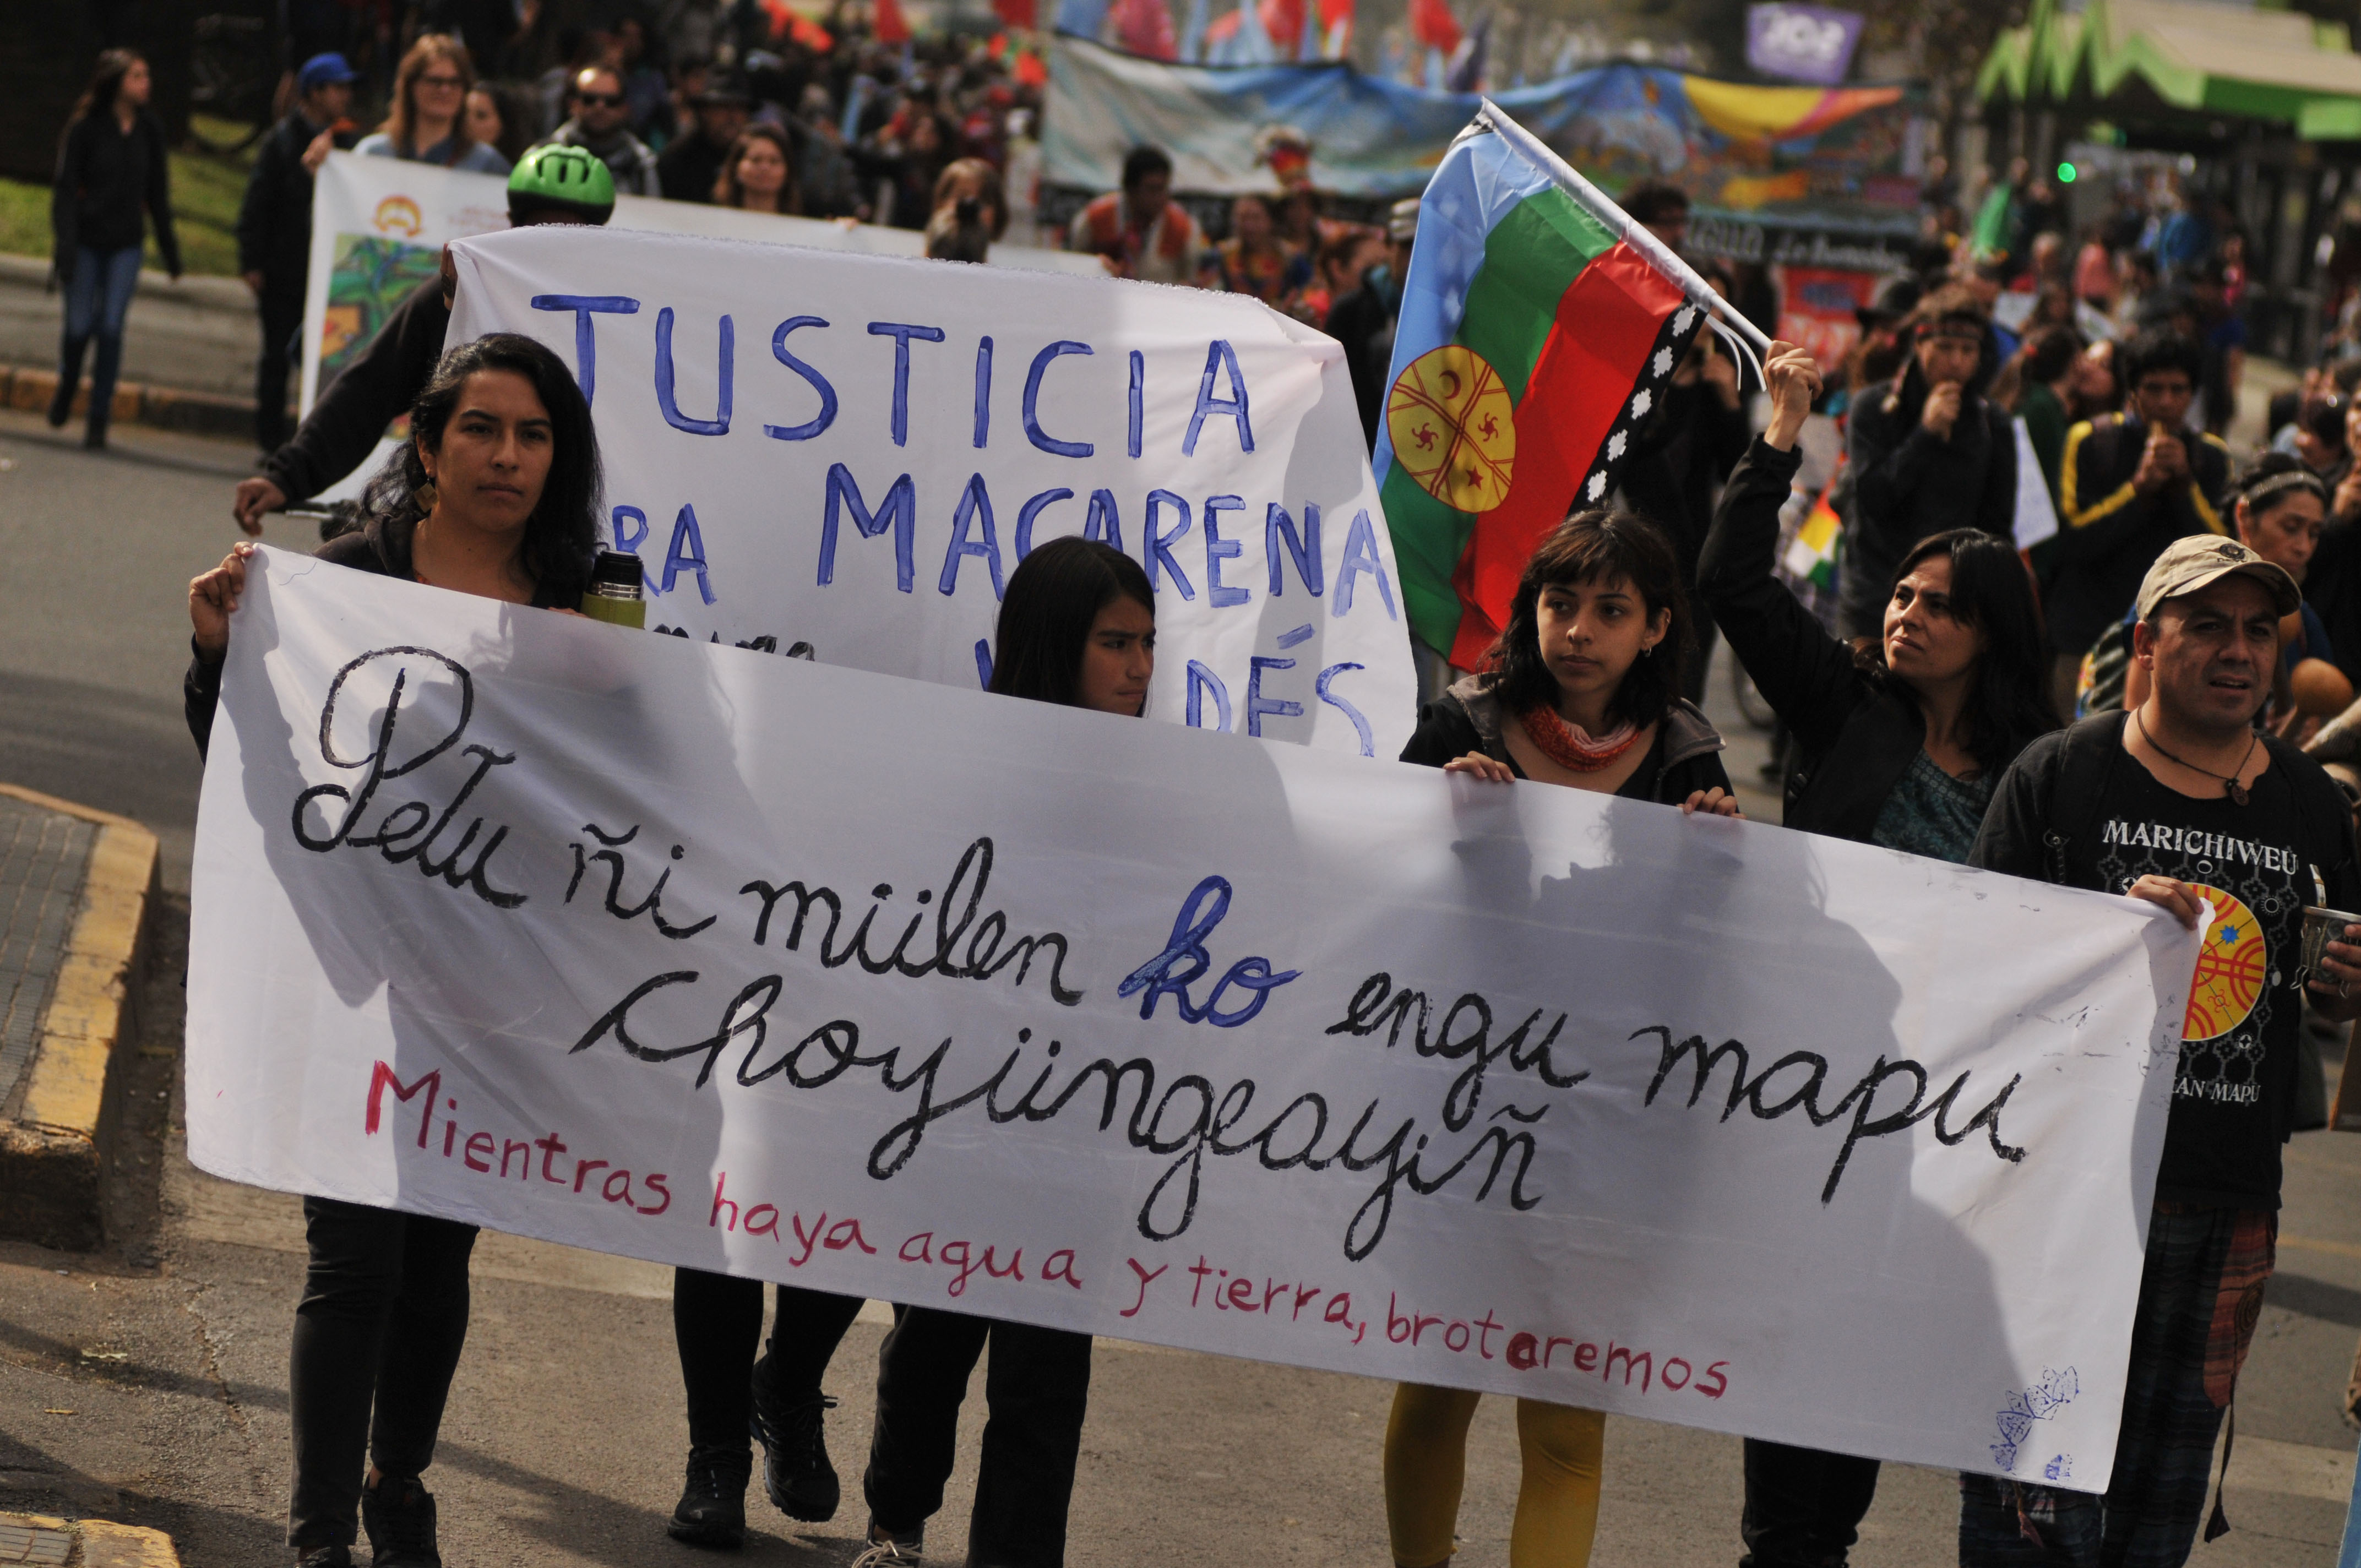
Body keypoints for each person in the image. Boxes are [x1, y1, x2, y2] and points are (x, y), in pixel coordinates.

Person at [184, 333, 602, 1568]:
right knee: (352, 1253)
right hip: (351, 974)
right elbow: (249, 768)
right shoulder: (339, 584)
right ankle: (315, 1533)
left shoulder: (588, 612)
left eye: (533, 436)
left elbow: (639, 804)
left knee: (435, 1256)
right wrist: (215, 655)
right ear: (425, 444)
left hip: (491, 991)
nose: (506, 456)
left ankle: (396, 1477)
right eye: (480, 428)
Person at [1701, 341, 2059, 1567]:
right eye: (1900, 598)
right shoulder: (1841, 705)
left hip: (1963, 1122)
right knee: (1800, 1444)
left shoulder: (2042, 774)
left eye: (1938, 604)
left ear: (1991, 630)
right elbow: (1732, 584)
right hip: (1819, 1098)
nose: (1906, 615)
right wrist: (1778, 431)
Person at [1963, 534, 2361, 1566]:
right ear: (2146, 641)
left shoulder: (2310, 803)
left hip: (2228, 1203)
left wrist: (2337, 986)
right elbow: (1971, 965)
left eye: (2255, 631)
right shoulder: (2060, 775)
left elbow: (2319, 981)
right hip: (2061, 1198)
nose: (2237, 651)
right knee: (2030, 1508)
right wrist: (2098, 928)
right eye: (2205, 626)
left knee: (2153, 1520)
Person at [1388, 507, 1737, 1568]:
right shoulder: (1461, 726)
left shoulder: (1686, 757)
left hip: (1605, 1132)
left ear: (1654, 627)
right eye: (1559, 602)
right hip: (1456, 1110)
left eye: (1609, 610)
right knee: (1437, 1380)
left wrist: (1720, 870)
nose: (1578, 628)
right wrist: (1429, 816)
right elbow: (1370, 890)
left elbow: (1706, 966)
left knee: (1564, 1419)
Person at [850, 535, 1151, 1568]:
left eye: (1148, 643)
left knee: (1044, 1377)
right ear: (1051, 644)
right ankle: (897, 1519)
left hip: (1080, 1132)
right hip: (959, 1116)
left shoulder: (1170, 786)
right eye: (1114, 642)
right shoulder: (965, 763)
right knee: (932, 1340)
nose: (1138, 667)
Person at [230, 145, 617, 535]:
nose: (550, 246)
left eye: (569, 235)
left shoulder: (621, 318)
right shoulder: (456, 296)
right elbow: (369, 390)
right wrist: (288, 477)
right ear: (513, 224)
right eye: (539, 230)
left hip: (563, 532)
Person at [2047, 326, 2233, 716]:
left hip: (2167, 646)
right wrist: (2138, 490)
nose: (2166, 402)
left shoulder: (2211, 457)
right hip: (2085, 630)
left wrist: (2184, 487)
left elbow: (2222, 553)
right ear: (2132, 390)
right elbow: (2072, 539)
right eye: (2153, 388)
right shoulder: (2091, 440)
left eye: (2178, 390)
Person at [2079, 455, 2332, 721]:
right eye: (2291, 528)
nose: (2303, 547)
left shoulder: (2304, 620)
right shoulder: (2175, 594)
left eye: (2314, 534)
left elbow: (2326, 700)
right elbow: (2137, 718)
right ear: (2244, 516)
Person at [1837, 286, 2017, 640]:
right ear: (1920, 346)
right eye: (1945, 348)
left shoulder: (1990, 422)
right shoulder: (1874, 407)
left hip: (1948, 609)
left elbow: (1997, 523)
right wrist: (1925, 435)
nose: (1956, 361)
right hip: (1875, 599)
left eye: (1968, 351)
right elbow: (1873, 497)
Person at [48, 48, 179, 450]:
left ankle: (98, 416)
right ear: (118, 82)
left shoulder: (149, 131)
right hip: (86, 242)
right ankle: (69, 384)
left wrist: (170, 252)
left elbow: (157, 192)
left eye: (147, 76)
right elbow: (66, 191)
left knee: (109, 328)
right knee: (78, 327)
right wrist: (66, 246)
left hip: (126, 245)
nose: (147, 83)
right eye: (138, 76)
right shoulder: (87, 127)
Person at [237, 52, 359, 453]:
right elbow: (258, 202)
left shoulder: (351, 143)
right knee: (276, 357)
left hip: (331, 272)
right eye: (338, 87)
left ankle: (313, 440)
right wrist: (252, 261)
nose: (346, 96)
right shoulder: (283, 141)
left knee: (329, 358)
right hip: (284, 269)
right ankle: (270, 441)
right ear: (314, 92)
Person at [1328, 198, 1416, 449]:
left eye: (1424, 245)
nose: (1414, 257)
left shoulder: (1454, 312)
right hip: (1364, 450)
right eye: (1407, 246)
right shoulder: (1350, 312)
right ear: (1389, 248)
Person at [356, 35, 509, 173]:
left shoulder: (486, 163)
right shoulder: (374, 153)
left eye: (455, 82)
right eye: (435, 81)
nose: (445, 90)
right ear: (411, 86)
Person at [1068, 145, 1206, 286]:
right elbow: (1075, 268)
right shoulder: (1094, 219)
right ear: (1131, 189)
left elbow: (1192, 281)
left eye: (1164, 189)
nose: (1160, 198)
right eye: (1153, 190)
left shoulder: (1184, 228)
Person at [534, 64, 661, 197]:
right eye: (589, 99)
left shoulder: (642, 162)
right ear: (572, 105)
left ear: (624, 108)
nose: (600, 107)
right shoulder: (542, 156)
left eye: (611, 101)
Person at [656, 75, 748, 203]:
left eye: (740, 109)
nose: (732, 117)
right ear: (704, 112)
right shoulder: (677, 160)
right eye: (722, 108)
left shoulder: (753, 158)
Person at [1214, 192, 1309, 308]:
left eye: (1256, 218)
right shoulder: (1222, 255)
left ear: (1270, 221)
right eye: (1243, 218)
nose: (1249, 226)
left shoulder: (1290, 258)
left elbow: (1306, 293)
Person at [711, 123, 798, 214]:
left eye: (774, 161)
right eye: (756, 160)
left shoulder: (803, 224)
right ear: (735, 166)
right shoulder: (715, 218)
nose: (765, 168)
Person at [464, 80, 534, 167]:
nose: (468, 122)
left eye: (481, 116)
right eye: (464, 114)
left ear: (504, 123)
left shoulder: (527, 167)